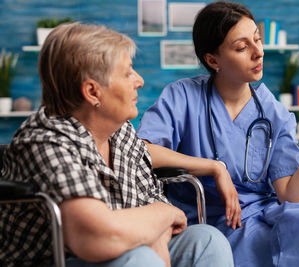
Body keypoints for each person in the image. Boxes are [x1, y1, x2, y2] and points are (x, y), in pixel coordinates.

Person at [137, 1, 299, 266]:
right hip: (206, 220)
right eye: (242, 47)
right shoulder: (182, 96)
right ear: (213, 60)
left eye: (258, 39)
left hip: (262, 215)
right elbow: (142, 152)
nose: (258, 53)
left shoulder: (273, 112)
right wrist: (214, 167)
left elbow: (291, 196)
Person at [0, 22, 234, 267]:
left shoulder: (120, 132)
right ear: (93, 92)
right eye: (127, 72)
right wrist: (163, 217)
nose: (139, 81)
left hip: (128, 245)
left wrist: (156, 231)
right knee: (142, 259)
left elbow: (157, 204)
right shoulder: (45, 140)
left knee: (208, 240)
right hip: (60, 259)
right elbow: (97, 238)